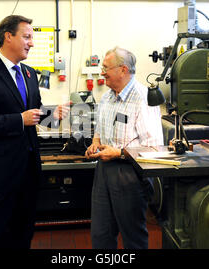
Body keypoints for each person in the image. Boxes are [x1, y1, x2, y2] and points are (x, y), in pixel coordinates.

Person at [0, 15, 69, 249]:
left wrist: (53, 115)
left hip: (28, 170)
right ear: (8, 36)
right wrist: (19, 120)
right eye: (27, 37)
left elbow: (33, 113)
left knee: (24, 232)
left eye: (32, 38)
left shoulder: (30, 74)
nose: (31, 43)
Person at [85, 47, 163, 249]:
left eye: (105, 68)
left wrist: (119, 153)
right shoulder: (106, 98)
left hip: (130, 174)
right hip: (103, 172)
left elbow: (154, 148)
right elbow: (99, 131)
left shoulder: (144, 99)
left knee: (133, 238)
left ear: (123, 70)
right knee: (101, 235)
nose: (102, 72)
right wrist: (95, 143)